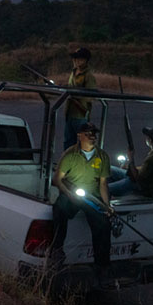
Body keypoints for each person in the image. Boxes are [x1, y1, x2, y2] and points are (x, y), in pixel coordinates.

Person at [50, 122, 114, 285]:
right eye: (88, 133)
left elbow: (103, 184)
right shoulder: (70, 155)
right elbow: (57, 180)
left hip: (91, 196)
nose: (92, 136)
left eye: (94, 133)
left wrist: (107, 205)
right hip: (72, 192)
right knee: (59, 209)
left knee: (103, 224)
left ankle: (102, 266)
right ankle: (57, 250)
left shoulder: (102, 156)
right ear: (80, 135)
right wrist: (69, 195)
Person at [109, 126, 153, 197]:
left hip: (140, 186)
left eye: (147, 137)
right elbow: (146, 170)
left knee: (104, 189)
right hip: (143, 179)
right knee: (109, 169)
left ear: (150, 141)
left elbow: (138, 179)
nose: (146, 139)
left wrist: (131, 159)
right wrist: (130, 168)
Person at [63, 47, 97, 150]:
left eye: (80, 59)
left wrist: (75, 95)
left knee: (83, 143)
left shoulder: (88, 76)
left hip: (80, 114)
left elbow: (90, 96)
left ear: (86, 60)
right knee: (68, 142)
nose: (77, 61)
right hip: (70, 113)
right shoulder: (73, 72)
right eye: (75, 59)